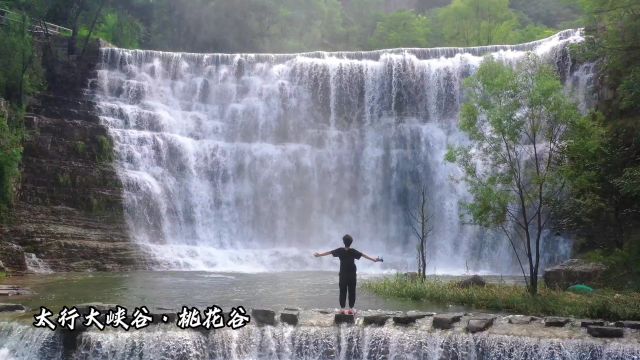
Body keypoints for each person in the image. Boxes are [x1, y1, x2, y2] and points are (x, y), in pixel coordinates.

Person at [314, 234, 382, 314]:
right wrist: (374, 259)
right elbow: (363, 255)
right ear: (351, 242)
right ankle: (351, 309)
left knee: (342, 291)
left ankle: (342, 309)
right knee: (352, 291)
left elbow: (329, 252)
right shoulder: (353, 251)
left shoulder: (340, 250)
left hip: (343, 274)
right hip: (352, 274)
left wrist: (319, 255)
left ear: (343, 242)